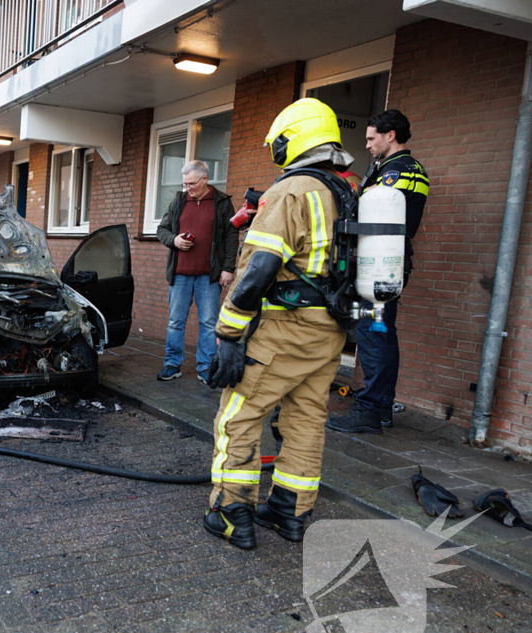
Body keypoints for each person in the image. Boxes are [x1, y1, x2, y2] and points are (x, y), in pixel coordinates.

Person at [203, 98, 353, 550]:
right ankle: (290, 514)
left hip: (283, 328)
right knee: (307, 418)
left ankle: (232, 514)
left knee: (238, 417)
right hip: (329, 330)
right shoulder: (350, 189)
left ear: (294, 139)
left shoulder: (293, 190)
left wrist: (228, 334)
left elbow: (258, 269)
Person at [327, 110, 428, 434]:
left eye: (372, 138)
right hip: (381, 264)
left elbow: (369, 213)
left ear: (391, 136)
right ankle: (379, 407)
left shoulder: (398, 171)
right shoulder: (389, 168)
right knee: (378, 334)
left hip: (381, 265)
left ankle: (370, 411)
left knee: (375, 336)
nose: (367, 144)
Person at [155, 161, 236, 383]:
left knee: (209, 323)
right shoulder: (179, 201)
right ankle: (172, 364)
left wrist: (228, 268)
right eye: (185, 184)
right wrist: (175, 240)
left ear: (204, 180)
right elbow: (161, 230)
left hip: (208, 276)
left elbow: (231, 236)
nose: (188, 188)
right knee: (175, 322)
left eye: (191, 183)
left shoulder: (222, 203)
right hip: (180, 274)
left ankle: (206, 368)